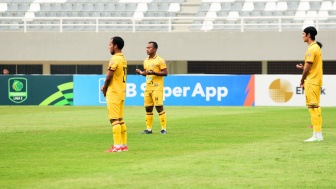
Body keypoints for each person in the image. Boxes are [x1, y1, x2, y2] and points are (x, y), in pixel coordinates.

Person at [296, 26, 323, 142]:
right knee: (316, 107)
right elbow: (310, 67)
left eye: (303, 34)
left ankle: (316, 135)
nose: (302, 36)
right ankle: (318, 134)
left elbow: (308, 68)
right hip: (316, 80)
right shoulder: (317, 47)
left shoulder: (311, 49)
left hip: (311, 81)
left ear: (308, 35)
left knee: (312, 107)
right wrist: (304, 69)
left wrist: (302, 80)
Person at [101, 36, 128, 152]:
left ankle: (117, 147)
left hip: (114, 92)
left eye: (110, 44)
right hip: (121, 92)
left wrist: (104, 87)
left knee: (114, 120)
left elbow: (109, 76)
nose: (109, 47)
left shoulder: (114, 59)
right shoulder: (123, 59)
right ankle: (123, 146)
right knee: (120, 119)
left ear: (115, 46)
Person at [136, 41, 168, 134]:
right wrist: (141, 73)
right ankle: (149, 129)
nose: (147, 49)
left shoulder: (160, 60)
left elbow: (165, 73)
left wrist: (154, 72)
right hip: (148, 87)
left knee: (159, 108)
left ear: (155, 49)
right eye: (147, 47)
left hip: (157, 87)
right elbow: (146, 73)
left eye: (149, 47)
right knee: (148, 108)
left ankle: (163, 129)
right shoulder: (146, 61)